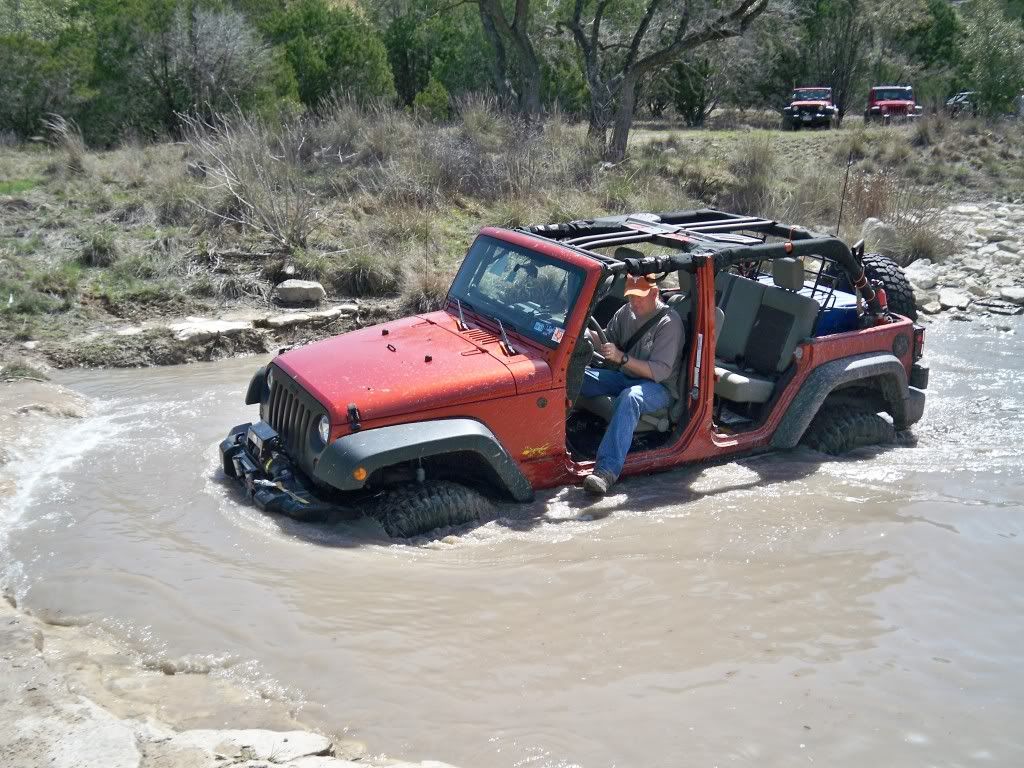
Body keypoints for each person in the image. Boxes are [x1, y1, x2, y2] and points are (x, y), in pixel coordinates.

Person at [580, 274, 684, 495]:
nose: (634, 302)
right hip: (624, 377)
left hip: (659, 388)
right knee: (578, 377)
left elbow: (659, 371)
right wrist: (581, 333)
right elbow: (606, 338)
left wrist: (622, 358)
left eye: (640, 297)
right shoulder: (626, 312)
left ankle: (606, 472)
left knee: (631, 397)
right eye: (631, 297)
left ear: (655, 294)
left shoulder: (669, 323)